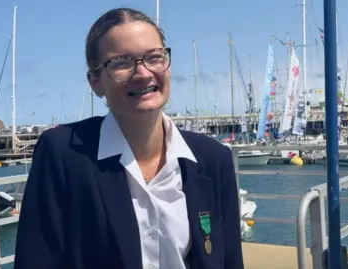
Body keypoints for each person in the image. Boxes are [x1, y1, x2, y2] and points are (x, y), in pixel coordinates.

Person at [14, 7, 244, 269]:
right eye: (122, 62)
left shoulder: (213, 159)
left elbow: (229, 262)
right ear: (95, 82)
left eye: (154, 57)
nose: (144, 73)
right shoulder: (63, 154)